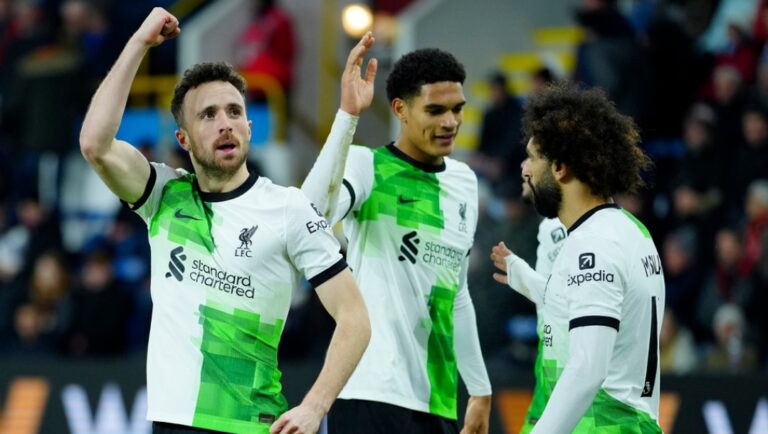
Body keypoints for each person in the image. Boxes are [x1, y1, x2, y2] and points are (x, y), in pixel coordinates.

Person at [79, 8, 374, 434]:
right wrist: (140, 42)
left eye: (234, 112)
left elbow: (356, 318)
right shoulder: (162, 195)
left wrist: (314, 407)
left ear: (249, 128)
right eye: (208, 115)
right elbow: (94, 143)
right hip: (173, 424)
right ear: (182, 139)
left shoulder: (287, 209)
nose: (225, 125)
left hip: (253, 425)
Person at [301, 48, 492, 433]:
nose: (451, 122)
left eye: (458, 109)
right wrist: (348, 117)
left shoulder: (464, 183)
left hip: (437, 400)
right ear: (401, 110)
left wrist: (480, 390)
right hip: (369, 391)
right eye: (436, 111)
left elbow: (458, 295)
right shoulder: (367, 166)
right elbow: (309, 215)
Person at [491, 82, 665, 433]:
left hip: (603, 424)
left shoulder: (593, 245)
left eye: (534, 159)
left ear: (560, 168)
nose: (525, 170)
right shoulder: (629, 230)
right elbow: (585, 309)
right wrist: (525, 279)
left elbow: (588, 367)